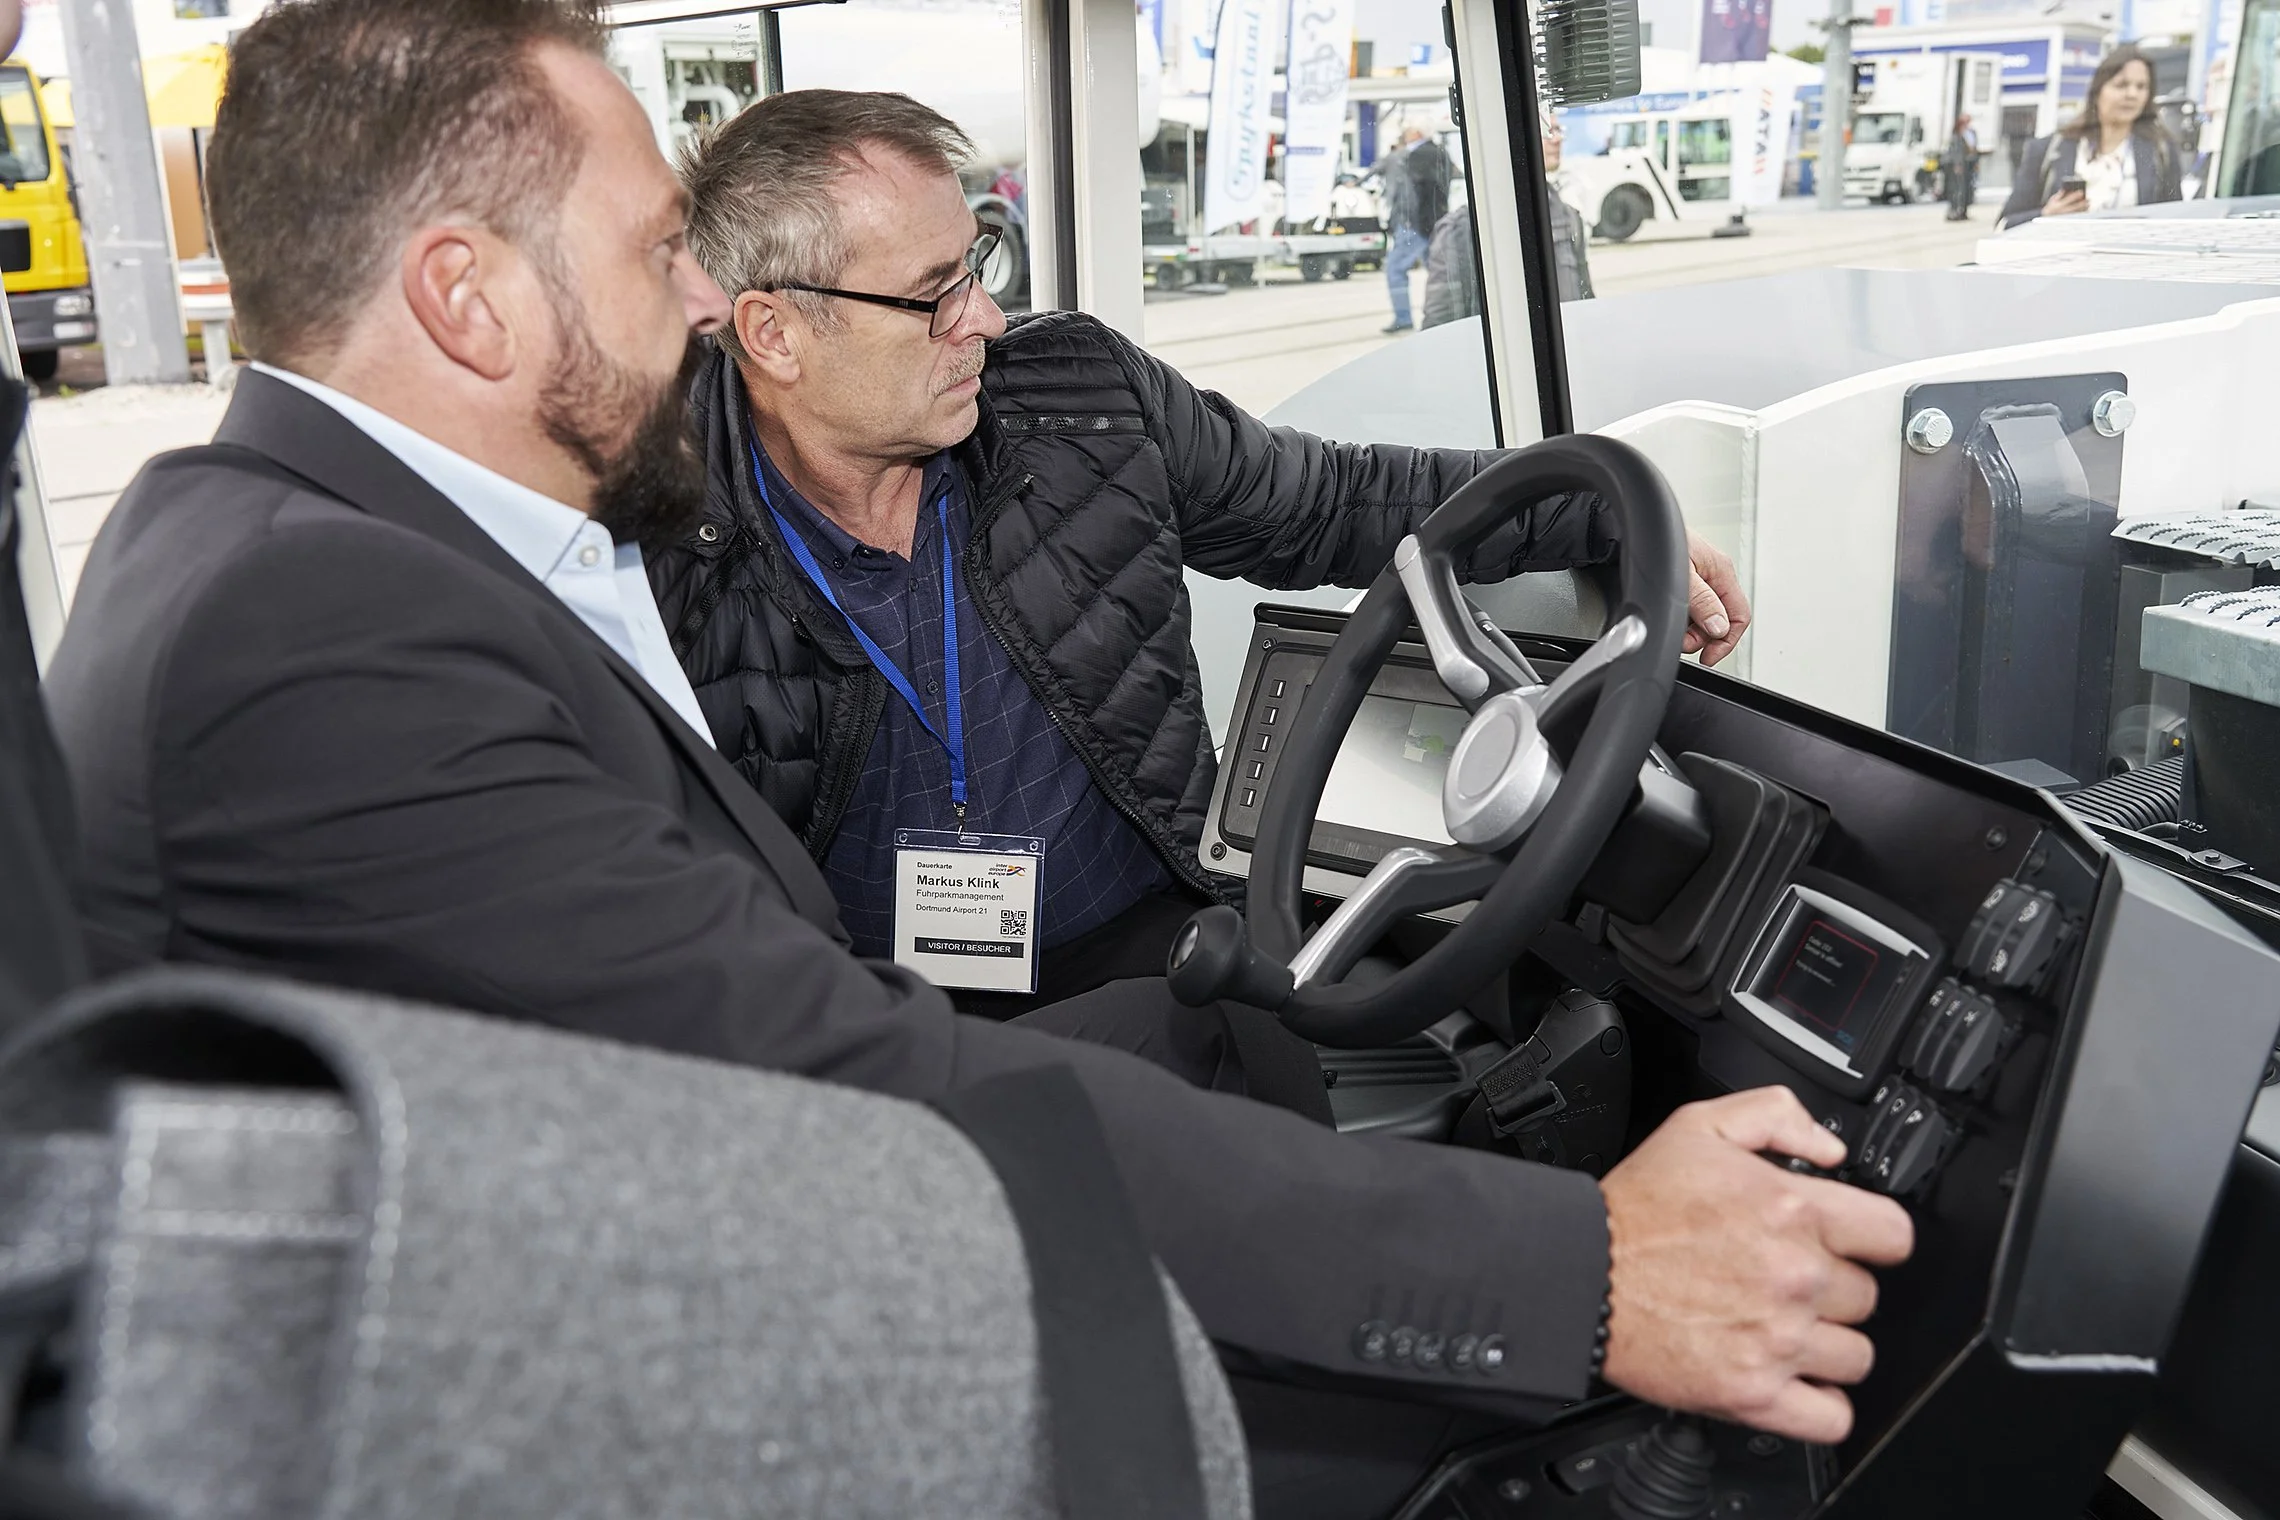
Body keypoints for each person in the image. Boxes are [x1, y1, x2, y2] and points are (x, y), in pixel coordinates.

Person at [41, 4, 1906, 1514]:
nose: (686, 303)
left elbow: (1323, 503)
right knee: (1463, 1440)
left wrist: (1595, 514)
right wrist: (1580, 1273)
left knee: (1207, 1033)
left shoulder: (284, 551)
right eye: (649, 252)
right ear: (467, 297)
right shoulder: (334, 639)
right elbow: (846, 1092)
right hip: (721, 1302)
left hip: (811, 1129)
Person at [658, 91, 1690, 1020]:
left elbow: (1324, 503)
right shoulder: (643, 544)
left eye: (974, 266)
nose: (986, 316)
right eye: (935, 294)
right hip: (882, 1025)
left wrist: (1596, 508)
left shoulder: (1081, 400)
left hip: (1161, 952)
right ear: (775, 335)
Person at [1425, 111, 1590, 326]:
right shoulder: (1463, 229)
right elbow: (1441, 325)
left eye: (1557, 130)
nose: (1556, 139)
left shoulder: (1568, 216)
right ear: (1510, 139)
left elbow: (1585, 299)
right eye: (1547, 131)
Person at [1997, 45, 2183, 229]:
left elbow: (2175, 221)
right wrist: (2046, 216)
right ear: (2098, 90)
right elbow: (2004, 225)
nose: (2132, 94)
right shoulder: (2048, 149)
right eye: (2121, 85)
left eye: (2141, 86)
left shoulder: (2160, 151)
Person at [1380, 124, 1451, 333]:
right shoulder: (1440, 152)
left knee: (1395, 269)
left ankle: (1403, 317)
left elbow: (1411, 194)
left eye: (1407, 131)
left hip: (1415, 225)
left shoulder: (1414, 155)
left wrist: (1406, 222)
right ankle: (1447, 315)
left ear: (1417, 133)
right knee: (1440, 272)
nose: (1404, 135)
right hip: (1434, 222)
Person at [1942, 113, 1981, 221]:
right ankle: (1954, 210)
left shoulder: (1971, 133)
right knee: (1956, 189)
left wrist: (1976, 163)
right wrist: (1957, 164)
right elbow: (1955, 151)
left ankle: (1964, 210)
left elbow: (1975, 149)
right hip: (1960, 164)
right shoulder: (1957, 135)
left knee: (1967, 189)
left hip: (1969, 164)